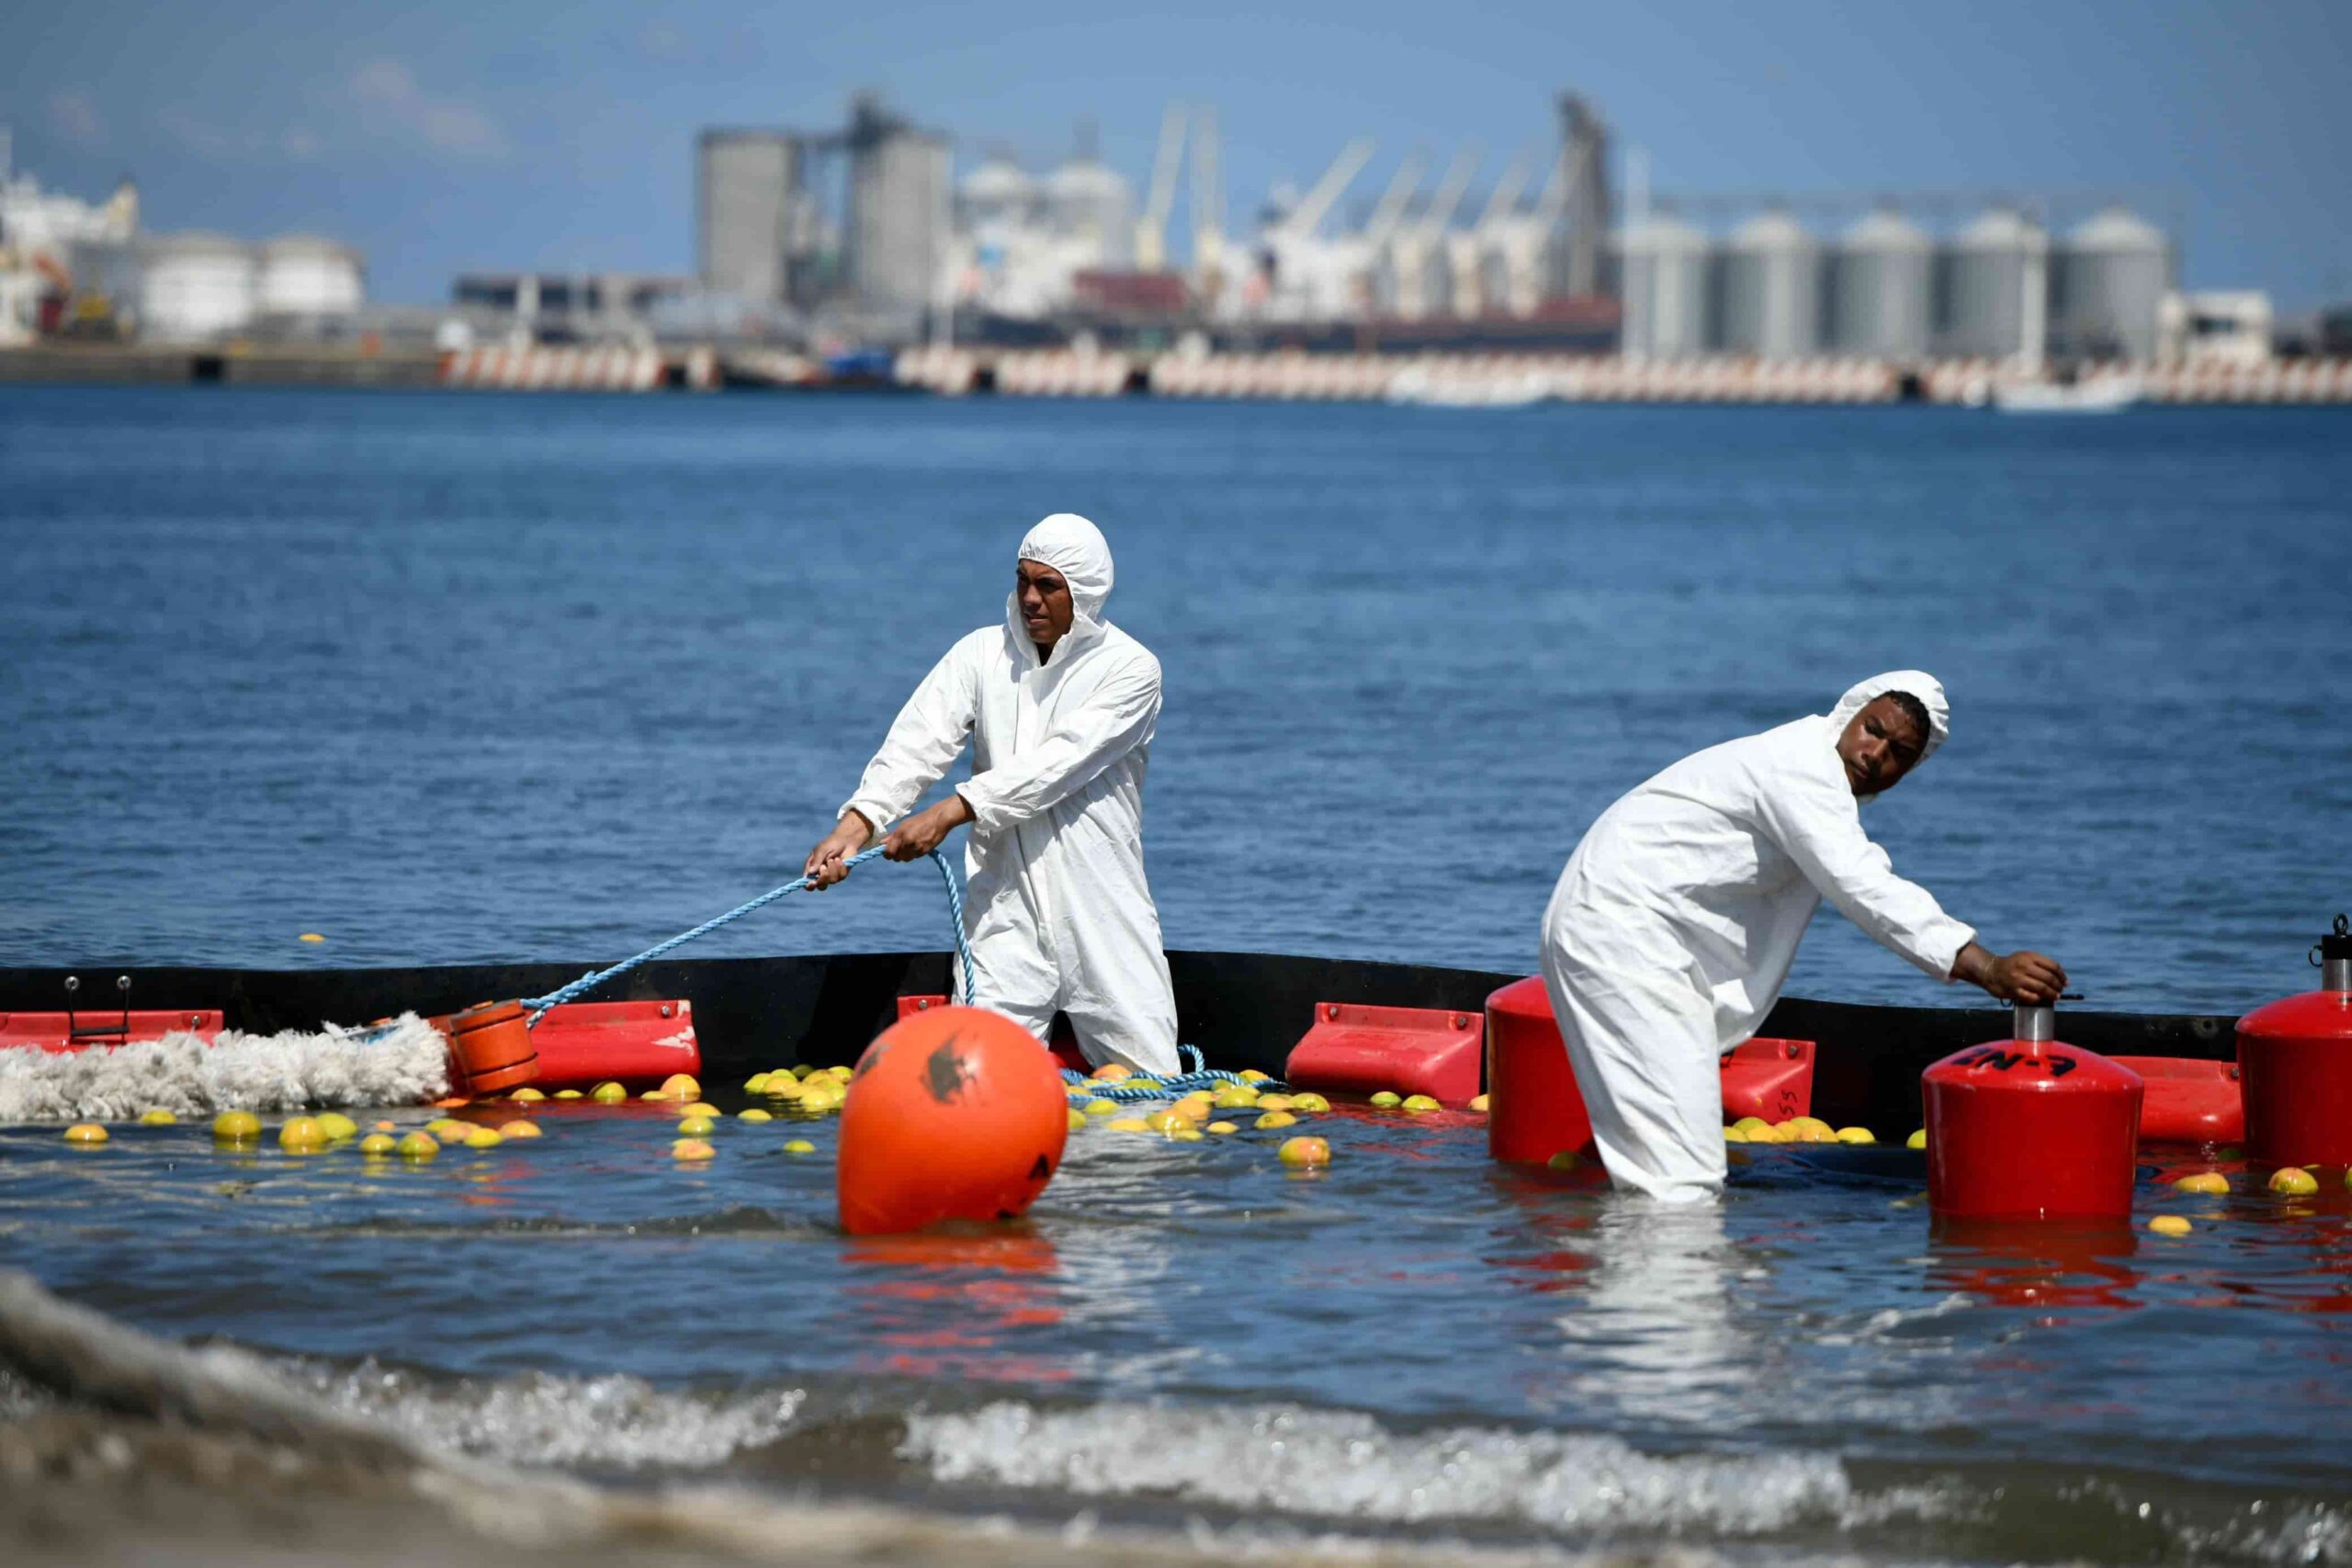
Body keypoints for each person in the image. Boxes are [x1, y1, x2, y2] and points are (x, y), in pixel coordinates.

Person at [1539, 671, 2065, 1203]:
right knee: (1682, 1177)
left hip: (1630, 937)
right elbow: (1860, 883)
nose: (1874, 753)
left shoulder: (1817, 781)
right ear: (1849, 713)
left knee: (1666, 1162)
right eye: (1871, 729)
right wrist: (1985, 966)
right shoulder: (1802, 767)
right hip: (1623, 935)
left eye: (1898, 752)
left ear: (1911, 768)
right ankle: (1676, 1278)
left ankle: (1647, 1277)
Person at [802, 513, 1180, 1077]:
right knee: (977, 1086)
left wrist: (953, 811)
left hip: (1103, 911)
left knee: (1150, 1088)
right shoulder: (980, 654)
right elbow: (916, 744)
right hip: (1003, 911)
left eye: (1048, 585)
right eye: (1022, 580)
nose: (1030, 597)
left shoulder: (1130, 670)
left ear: (1087, 592)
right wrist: (857, 826)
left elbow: (1057, 764)